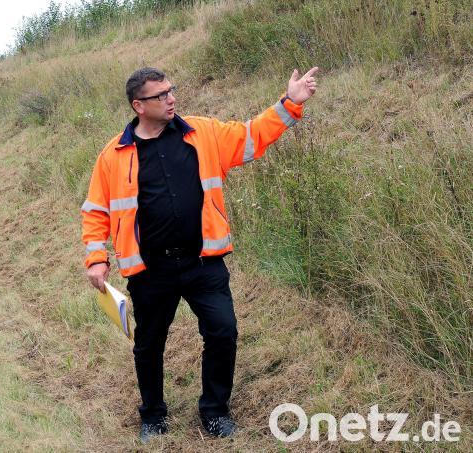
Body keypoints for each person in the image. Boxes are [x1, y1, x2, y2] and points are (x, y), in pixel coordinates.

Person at [80, 66, 318, 443]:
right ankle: (153, 416)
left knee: (223, 331)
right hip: (149, 269)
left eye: (171, 90)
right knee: (149, 344)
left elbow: (251, 136)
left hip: (203, 261)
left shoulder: (202, 133)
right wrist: (96, 258)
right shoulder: (114, 154)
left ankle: (215, 412)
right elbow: (96, 210)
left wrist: (289, 103)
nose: (171, 98)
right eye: (161, 95)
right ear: (138, 105)